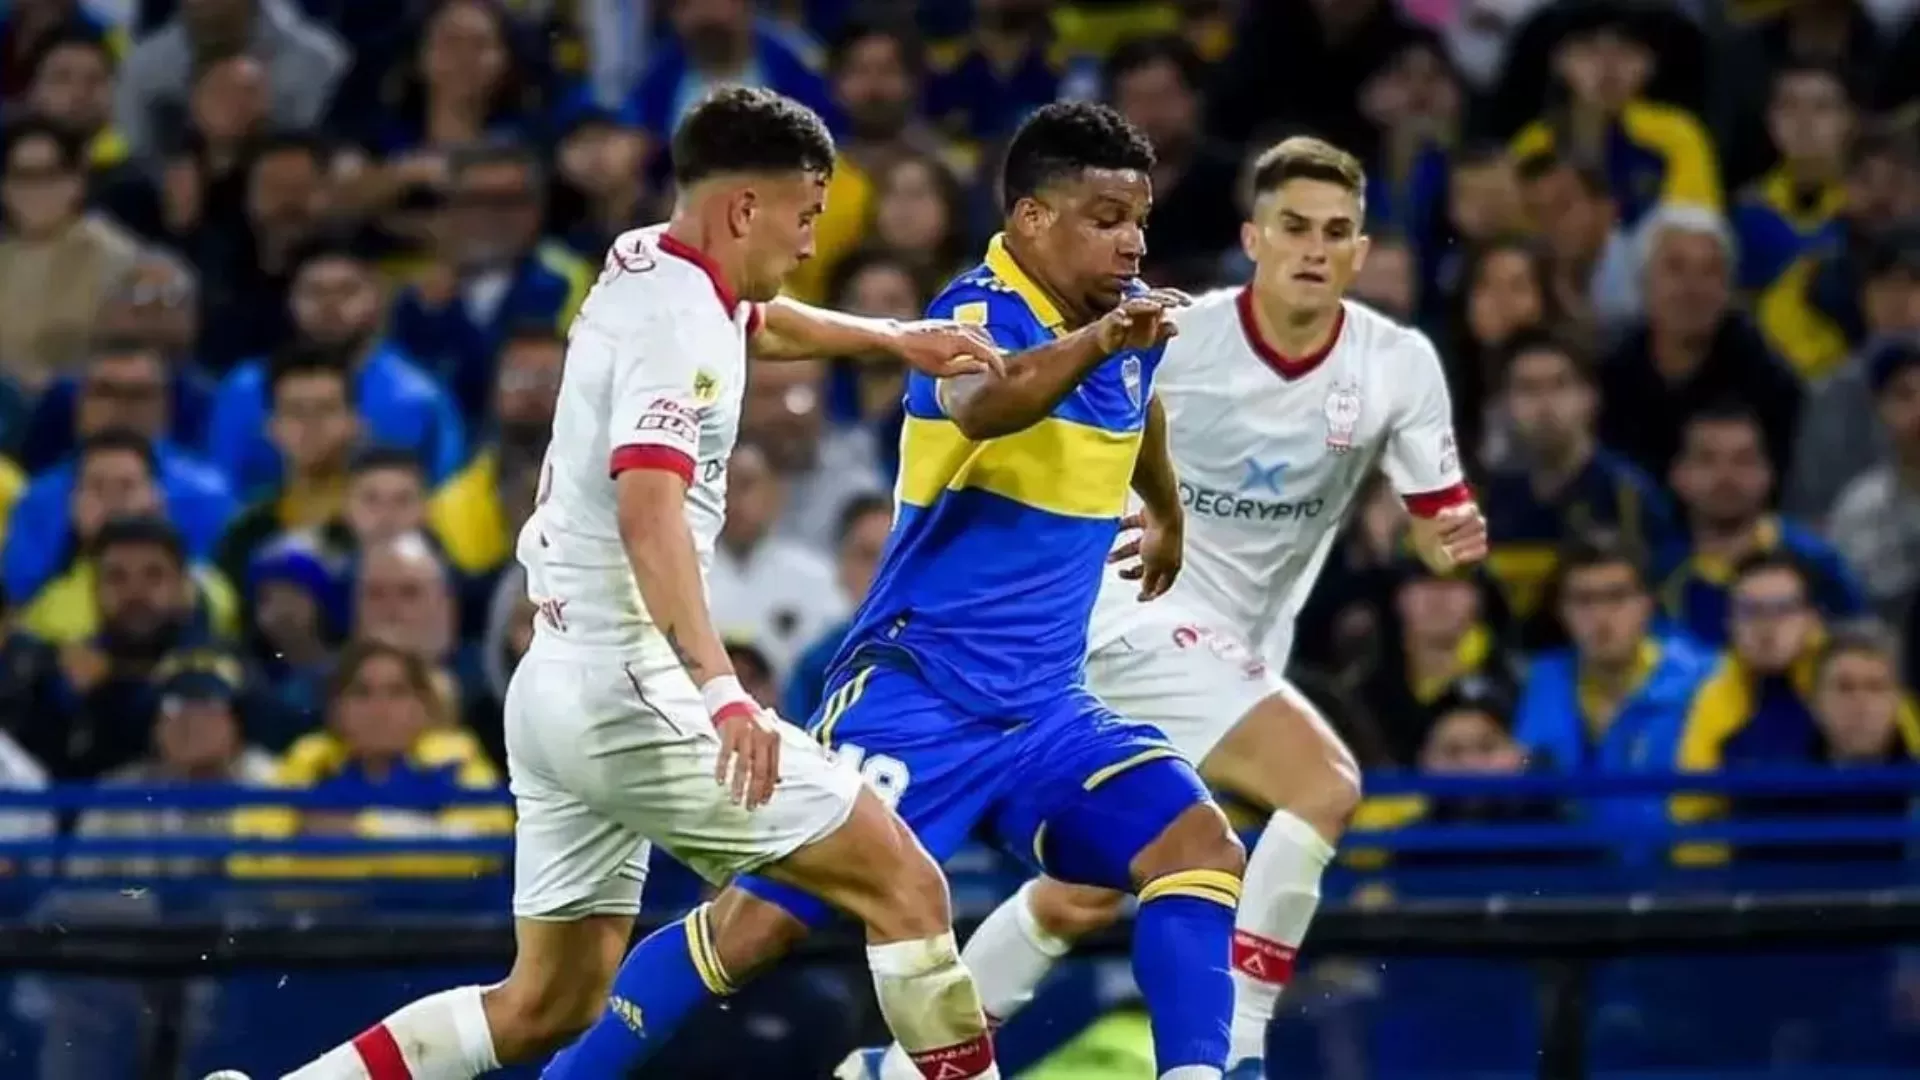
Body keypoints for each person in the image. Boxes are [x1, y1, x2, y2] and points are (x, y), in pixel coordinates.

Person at [263, 87, 1007, 1080]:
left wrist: (892, 340)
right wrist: (721, 692)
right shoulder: (679, 335)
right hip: (633, 687)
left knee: (545, 1006)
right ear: (745, 207)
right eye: (806, 214)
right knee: (906, 885)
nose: (810, 239)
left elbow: (760, 319)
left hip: (554, 686)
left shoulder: (648, 258)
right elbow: (647, 510)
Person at [564, 101, 1253, 1080]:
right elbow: (990, 403)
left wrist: (1169, 511)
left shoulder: (1117, 320)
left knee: (1199, 848)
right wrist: (1105, 344)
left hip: (1042, 710)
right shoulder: (977, 312)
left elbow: (1139, 404)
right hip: (915, 693)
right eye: (1105, 219)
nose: (1132, 243)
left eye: (1139, 220)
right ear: (1031, 221)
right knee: (755, 928)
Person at [855, 135, 1489, 1080]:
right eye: (1292, 228)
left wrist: (1448, 538)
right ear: (1253, 238)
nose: (1313, 249)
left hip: (1239, 643)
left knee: (1096, 888)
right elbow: (1077, 400)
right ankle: (1236, 1054)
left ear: (1360, 252)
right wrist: (1149, 511)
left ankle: (899, 1072)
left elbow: (1444, 521)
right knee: (1323, 785)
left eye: (1337, 232)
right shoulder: (1179, 327)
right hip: (1131, 607)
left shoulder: (1398, 363)